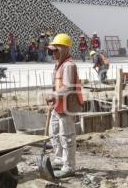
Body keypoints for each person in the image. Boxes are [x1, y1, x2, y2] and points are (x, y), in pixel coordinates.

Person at [45, 33, 83, 178]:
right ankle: (60, 159)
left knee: (66, 136)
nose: (53, 53)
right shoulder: (59, 65)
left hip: (67, 107)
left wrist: (53, 95)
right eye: (52, 51)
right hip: (58, 106)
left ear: (65, 49)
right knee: (54, 133)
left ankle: (69, 166)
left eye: (56, 50)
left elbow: (68, 87)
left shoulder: (69, 65)